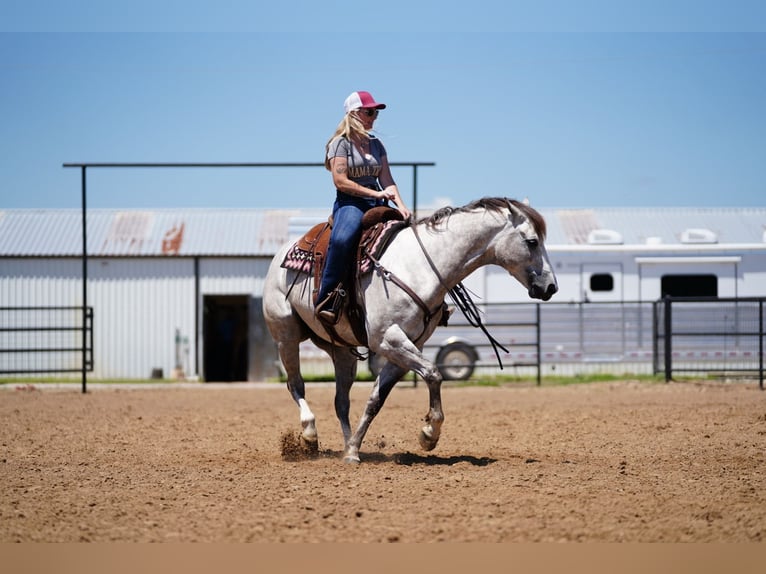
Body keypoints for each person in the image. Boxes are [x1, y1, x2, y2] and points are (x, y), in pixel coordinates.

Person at [315, 90, 411, 324]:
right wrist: (375, 193)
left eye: (375, 112)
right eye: (370, 112)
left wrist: (401, 205)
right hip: (350, 203)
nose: (374, 117)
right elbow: (341, 181)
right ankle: (327, 298)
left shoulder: (377, 145)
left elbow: (387, 179)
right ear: (354, 114)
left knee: (410, 234)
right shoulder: (340, 144)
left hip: (377, 200)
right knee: (342, 239)